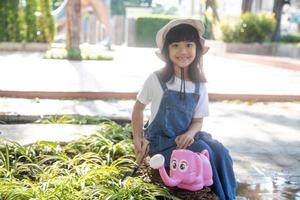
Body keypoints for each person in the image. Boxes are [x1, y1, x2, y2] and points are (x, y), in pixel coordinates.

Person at [131, 18, 236, 200]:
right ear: (167, 50)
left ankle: (228, 195)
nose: (183, 51)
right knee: (202, 151)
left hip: (186, 140)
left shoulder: (199, 85)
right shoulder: (156, 80)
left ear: (197, 49)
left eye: (189, 45)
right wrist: (138, 139)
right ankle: (219, 196)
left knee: (220, 151)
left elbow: (198, 121)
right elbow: (138, 109)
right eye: (175, 45)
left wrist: (190, 134)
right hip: (161, 144)